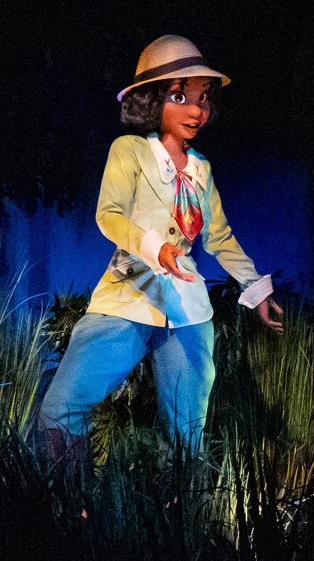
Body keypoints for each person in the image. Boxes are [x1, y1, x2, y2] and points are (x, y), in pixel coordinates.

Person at [37, 35, 282, 477]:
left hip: (186, 309)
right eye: (179, 97)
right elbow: (109, 215)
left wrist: (256, 288)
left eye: (202, 99)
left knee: (187, 434)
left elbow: (219, 236)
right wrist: (156, 248)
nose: (196, 110)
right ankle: (73, 508)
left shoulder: (201, 169)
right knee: (62, 407)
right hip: (128, 296)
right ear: (152, 101)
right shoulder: (129, 152)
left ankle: (182, 515)